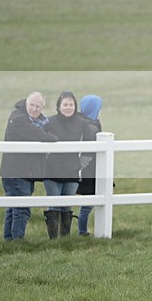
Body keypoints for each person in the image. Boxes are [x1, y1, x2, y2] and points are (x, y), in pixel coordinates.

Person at [0, 92, 59, 241]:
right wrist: (53, 138)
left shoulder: (35, 120)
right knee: (21, 208)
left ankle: (9, 240)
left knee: (13, 207)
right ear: (26, 103)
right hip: (16, 172)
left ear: (42, 107)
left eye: (38, 106)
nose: (34, 109)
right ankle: (17, 241)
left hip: (19, 171)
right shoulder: (19, 118)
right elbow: (40, 135)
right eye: (32, 105)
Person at [42, 91, 96, 239]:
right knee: (54, 205)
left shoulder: (82, 124)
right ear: (59, 106)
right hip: (51, 171)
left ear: (75, 106)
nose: (68, 107)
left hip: (72, 171)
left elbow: (91, 146)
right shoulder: (49, 122)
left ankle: (65, 239)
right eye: (65, 104)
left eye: (71, 104)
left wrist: (80, 164)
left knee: (67, 206)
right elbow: (38, 141)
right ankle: (53, 240)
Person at [75, 94, 103, 236]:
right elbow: (89, 153)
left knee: (89, 202)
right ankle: (82, 231)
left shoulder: (87, 122)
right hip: (89, 171)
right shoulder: (91, 127)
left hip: (88, 170)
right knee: (87, 204)